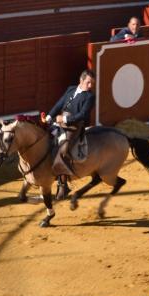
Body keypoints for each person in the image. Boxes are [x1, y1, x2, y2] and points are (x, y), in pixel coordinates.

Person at [45, 69, 96, 200]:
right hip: (60, 122)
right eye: (88, 83)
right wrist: (50, 116)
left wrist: (65, 119)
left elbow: (83, 115)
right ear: (81, 80)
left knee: (63, 150)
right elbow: (59, 104)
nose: (90, 86)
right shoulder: (71, 89)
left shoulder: (90, 96)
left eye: (92, 84)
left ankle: (63, 185)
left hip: (75, 126)